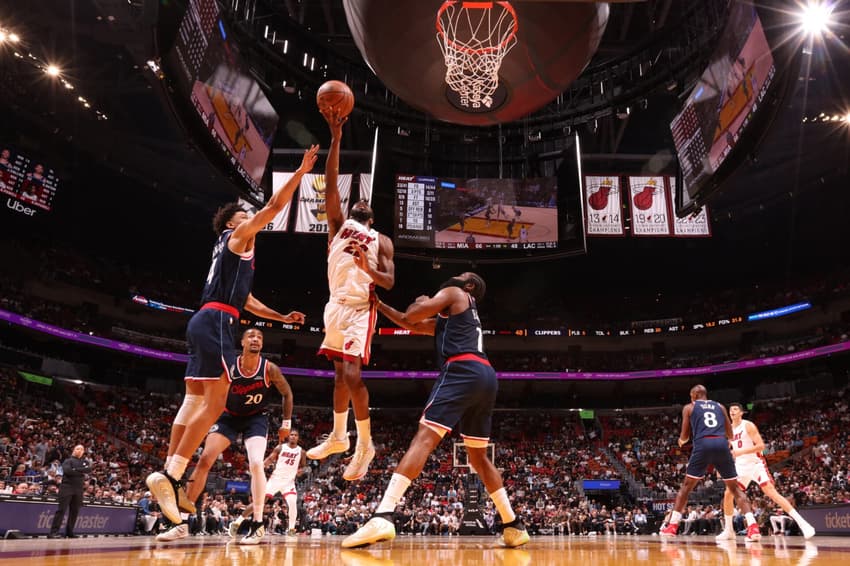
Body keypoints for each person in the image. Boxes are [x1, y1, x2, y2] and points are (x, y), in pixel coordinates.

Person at [146, 145, 317, 525]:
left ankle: (171, 480)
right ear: (232, 224)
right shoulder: (238, 237)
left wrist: (281, 317)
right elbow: (273, 209)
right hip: (218, 322)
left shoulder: (227, 250)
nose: (251, 219)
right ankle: (172, 474)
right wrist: (301, 173)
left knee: (192, 401)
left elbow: (249, 301)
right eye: (245, 216)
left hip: (205, 318)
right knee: (219, 397)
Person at [341, 272, 529, 549]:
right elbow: (409, 323)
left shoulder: (454, 294)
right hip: (486, 376)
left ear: (469, 286)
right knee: (478, 457)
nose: (454, 276)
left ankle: (383, 514)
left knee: (424, 437)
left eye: (461, 275)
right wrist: (379, 305)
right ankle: (513, 525)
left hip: (461, 370)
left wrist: (422, 300)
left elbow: (414, 312)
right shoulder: (457, 318)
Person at [307, 107, 395, 481]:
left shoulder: (382, 240)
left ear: (371, 219)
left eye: (364, 207)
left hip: (361, 308)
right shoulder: (339, 226)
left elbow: (388, 283)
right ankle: (340, 436)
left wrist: (365, 268)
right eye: (355, 202)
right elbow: (329, 181)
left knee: (354, 375)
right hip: (334, 306)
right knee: (339, 376)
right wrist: (337, 138)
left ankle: (365, 445)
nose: (358, 204)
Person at [155, 328, 295, 544]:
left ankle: (257, 525)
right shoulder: (229, 366)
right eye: (251, 336)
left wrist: (286, 424)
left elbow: (287, 393)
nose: (255, 339)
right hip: (228, 416)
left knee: (257, 464)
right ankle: (181, 523)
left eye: (259, 337)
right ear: (242, 342)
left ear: (262, 343)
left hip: (256, 418)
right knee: (204, 460)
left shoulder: (269, 368)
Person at [660, 385, 761, 541]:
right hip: (721, 444)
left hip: (703, 445)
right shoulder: (720, 406)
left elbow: (685, 436)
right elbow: (730, 434)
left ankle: (672, 527)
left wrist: (680, 441)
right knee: (735, 488)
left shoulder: (689, 407)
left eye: (690, 395)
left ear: (694, 395)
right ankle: (753, 528)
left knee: (686, 487)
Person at [716, 403, 816, 540]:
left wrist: (740, 451)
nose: (732, 411)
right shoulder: (728, 430)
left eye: (735, 409)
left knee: (771, 493)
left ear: (741, 412)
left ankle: (803, 523)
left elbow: (761, 446)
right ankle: (729, 530)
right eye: (730, 410)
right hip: (740, 467)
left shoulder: (748, 425)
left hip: (756, 464)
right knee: (728, 495)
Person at [230, 429, 309, 537]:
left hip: (289, 482)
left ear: (298, 437)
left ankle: (291, 530)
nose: (293, 437)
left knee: (292, 504)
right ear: (288, 436)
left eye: (295, 435)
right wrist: (260, 468)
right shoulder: (280, 447)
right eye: (291, 435)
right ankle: (237, 522)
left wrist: (302, 471)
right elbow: (270, 459)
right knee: (259, 502)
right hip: (275, 480)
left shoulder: (301, 451)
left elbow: (304, 466)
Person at [49, 444, 91, 538]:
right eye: (78, 449)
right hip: (66, 487)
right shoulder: (68, 460)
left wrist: (75, 469)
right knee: (62, 510)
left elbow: (88, 469)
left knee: (75, 511)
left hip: (79, 489)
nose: (80, 450)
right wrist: (81, 471)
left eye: (82, 449)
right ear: (74, 450)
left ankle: (69, 532)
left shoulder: (85, 461)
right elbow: (68, 471)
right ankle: (53, 532)